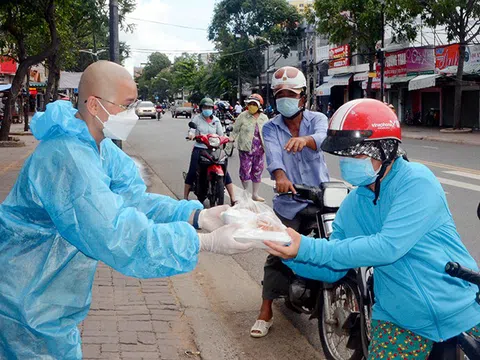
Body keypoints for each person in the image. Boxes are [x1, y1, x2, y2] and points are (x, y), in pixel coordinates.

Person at [0, 61, 253, 359]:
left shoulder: (100, 149)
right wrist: (201, 241)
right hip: (25, 299)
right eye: (127, 105)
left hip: (48, 299)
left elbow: (134, 200)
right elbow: (115, 233)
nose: (133, 114)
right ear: (95, 105)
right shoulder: (66, 156)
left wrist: (195, 215)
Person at [265, 98, 480, 358]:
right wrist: (289, 250)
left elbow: (388, 247)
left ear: (385, 149)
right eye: (345, 155)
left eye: (357, 154)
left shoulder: (416, 181)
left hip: (460, 307)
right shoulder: (354, 204)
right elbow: (333, 268)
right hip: (399, 320)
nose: (348, 163)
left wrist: (308, 247)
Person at [250, 66, 330, 338]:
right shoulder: (270, 127)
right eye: (280, 94)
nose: (286, 98)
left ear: (303, 98)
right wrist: (281, 177)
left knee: (337, 245)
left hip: (321, 198)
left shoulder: (317, 118)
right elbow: (273, 157)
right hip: (289, 202)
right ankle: (265, 311)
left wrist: (306, 140)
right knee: (277, 252)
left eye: (291, 94)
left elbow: (323, 137)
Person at [184, 97, 236, 205]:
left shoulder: (216, 120)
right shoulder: (196, 119)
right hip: (200, 148)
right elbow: (192, 130)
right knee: (192, 171)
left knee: (224, 169)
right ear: (201, 108)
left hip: (214, 149)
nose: (207, 109)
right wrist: (191, 135)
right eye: (205, 107)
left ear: (213, 108)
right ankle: (185, 197)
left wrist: (228, 138)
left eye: (209, 107)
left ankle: (233, 197)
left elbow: (221, 134)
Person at [231, 94, 269, 202]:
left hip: (259, 150)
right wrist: (229, 143)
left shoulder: (264, 118)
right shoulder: (242, 116)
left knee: (257, 171)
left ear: (259, 106)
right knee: (245, 171)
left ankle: (255, 194)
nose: (251, 106)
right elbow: (235, 131)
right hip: (245, 148)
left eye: (254, 104)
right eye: (250, 104)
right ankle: (245, 193)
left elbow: (268, 133)